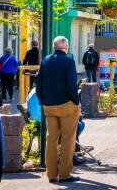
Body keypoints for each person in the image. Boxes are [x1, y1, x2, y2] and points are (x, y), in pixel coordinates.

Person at [35, 36, 81, 183]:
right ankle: (65, 174)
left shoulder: (45, 61)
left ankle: (52, 175)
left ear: (54, 47)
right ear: (66, 47)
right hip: (66, 104)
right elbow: (72, 85)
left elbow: (38, 82)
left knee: (51, 139)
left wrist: (42, 100)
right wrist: (76, 101)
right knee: (68, 139)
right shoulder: (69, 61)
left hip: (49, 105)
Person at [26, 87, 86, 166]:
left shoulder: (33, 90)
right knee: (76, 124)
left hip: (35, 123)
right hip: (44, 124)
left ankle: (70, 150)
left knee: (78, 122)